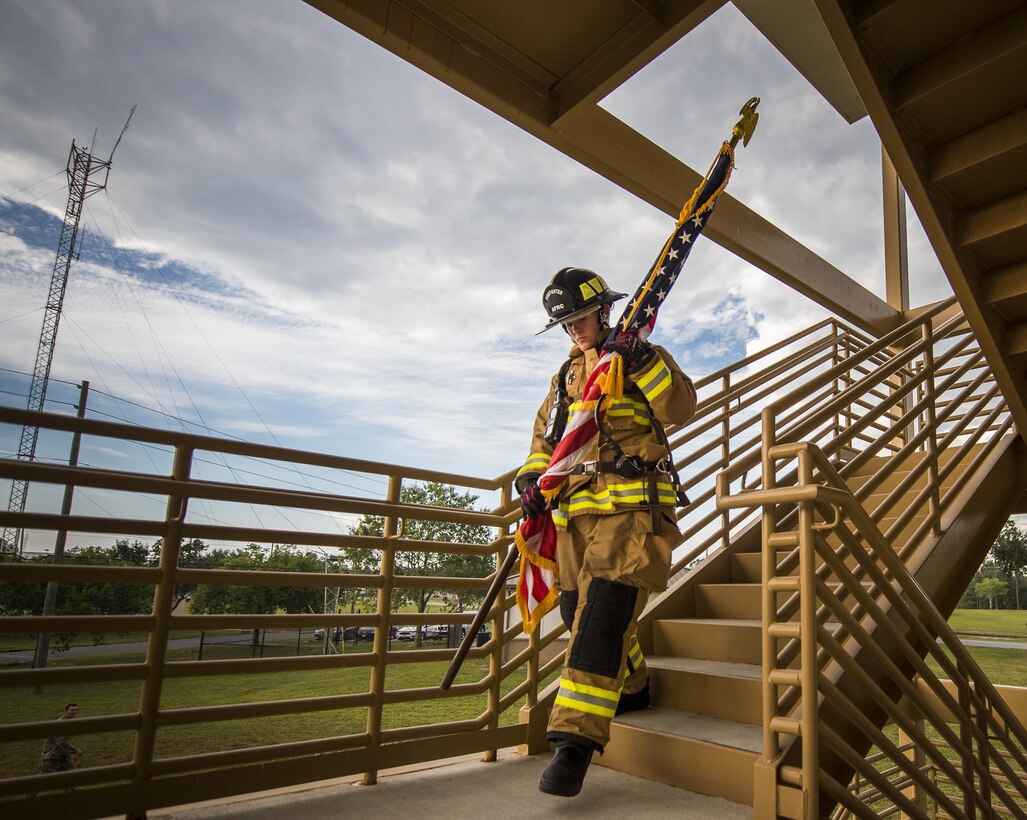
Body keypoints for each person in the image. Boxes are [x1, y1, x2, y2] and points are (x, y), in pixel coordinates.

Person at [515, 267, 697, 797]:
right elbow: (544, 444)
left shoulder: (642, 355)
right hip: (574, 522)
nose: (575, 329)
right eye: (565, 323)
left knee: (599, 624)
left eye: (580, 318)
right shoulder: (565, 379)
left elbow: (683, 408)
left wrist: (640, 363)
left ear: (604, 311)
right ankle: (635, 686)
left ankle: (573, 745)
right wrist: (530, 479)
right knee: (578, 615)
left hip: (634, 514)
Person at [39, 703, 82, 774]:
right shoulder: (60, 724)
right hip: (52, 758)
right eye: (72, 710)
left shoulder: (69, 722)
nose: (74, 712)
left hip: (65, 757)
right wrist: (75, 750)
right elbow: (62, 743)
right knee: (45, 780)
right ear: (66, 711)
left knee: (73, 778)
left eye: (76, 710)